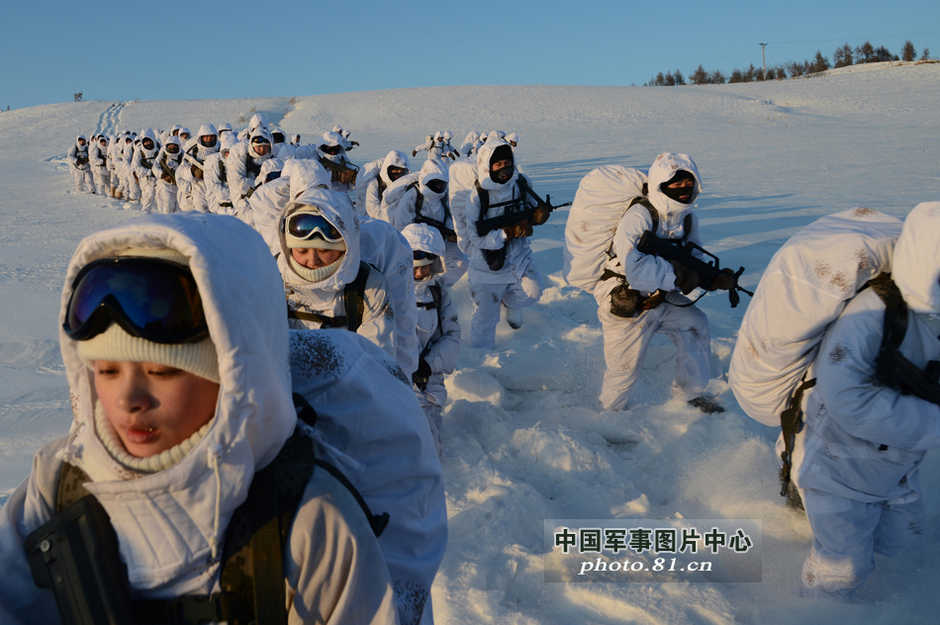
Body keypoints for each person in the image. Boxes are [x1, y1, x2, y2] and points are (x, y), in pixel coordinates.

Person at [0, 213, 399, 624]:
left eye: (163, 371)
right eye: (107, 371)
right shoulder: (59, 485)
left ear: (235, 377)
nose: (129, 399)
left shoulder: (309, 519)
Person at [790, 201, 940, 597]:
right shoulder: (873, 313)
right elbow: (849, 399)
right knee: (842, 570)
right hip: (838, 469)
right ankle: (812, 614)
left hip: (898, 471)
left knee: (906, 551)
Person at [586, 153, 726, 413]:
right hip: (626, 296)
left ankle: (690, 395)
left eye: (688, 183)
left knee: (695, 326)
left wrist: (712, 277)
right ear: (661, 185)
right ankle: (609, 415)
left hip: (662, 295)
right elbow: (634, 267)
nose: (683, 188)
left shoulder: (687, 218)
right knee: (624, 369)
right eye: (675, 183)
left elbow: (693, 257)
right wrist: (680, 275)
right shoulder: (640, 215)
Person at [273, 187, 402, 370]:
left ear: (346, 249)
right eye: (302, 250)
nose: (312, 260)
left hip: (349, 394)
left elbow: (376, 363)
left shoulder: (368, 287)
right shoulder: (271, 279)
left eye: (325, 251)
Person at [450, 137, 545, 349]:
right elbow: (477, 237)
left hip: (519, 258)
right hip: (486, 265)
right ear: (488, 166)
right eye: (498, 164)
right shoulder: (478, 197)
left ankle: (509, 303)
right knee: (485, 320)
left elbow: (533, 209)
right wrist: (507, 233)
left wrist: (537, 217)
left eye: (507, 163)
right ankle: (481, 363)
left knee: (533, 291)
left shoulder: (520, 185)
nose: (504, 168)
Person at [402, 223, 459, 455]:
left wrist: (428, 365)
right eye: (413, 267)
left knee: (432, 447)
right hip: (399, 383)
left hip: (429, 383)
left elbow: (453, 335)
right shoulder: (386, 290)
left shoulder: (439, 292)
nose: (419, 273)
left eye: (425, 267)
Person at [386, 159, 467, 286]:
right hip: (416, 244)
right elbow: (401, 227)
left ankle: (438, 289)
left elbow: (452, 218)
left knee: (460, 264)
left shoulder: (444, 197)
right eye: (435, 183)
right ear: (425, 181)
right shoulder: (413, 196)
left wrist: (452, 234)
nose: (438, 187)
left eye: (441, 184)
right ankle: (414, 289)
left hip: (441, 240)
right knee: (415, 267)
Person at [175, 123, 219, 212]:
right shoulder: (192, 152)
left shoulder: (220, 149)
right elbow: (180, 173)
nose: (209, 140)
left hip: (216, 187)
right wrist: (192, 171)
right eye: (206, 137)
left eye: (211, 137)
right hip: (198, 187)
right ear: (201, 138)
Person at [365, 150, 410, 221]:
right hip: (381, 225)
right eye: (395, 170)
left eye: (401, 170)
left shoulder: (406, 186)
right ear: (387, 169)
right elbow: (373, 211)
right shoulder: (375, 185)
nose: (398, 173)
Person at [151, 135, 182, 213]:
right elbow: (155, 167)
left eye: (174, 146)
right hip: (165, 186)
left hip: (178, 186)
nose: (172, 148)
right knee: (166, 209)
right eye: (170, 146)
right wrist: (162, 175)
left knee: (179, 211)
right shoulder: (162, 154)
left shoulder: (181, 155)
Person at [132, 129, 161, 212]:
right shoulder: (139, 151)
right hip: (146, 179)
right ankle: (145, 218)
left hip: (159, 178)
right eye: (145, 141)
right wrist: (149, 172)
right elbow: (136, 167)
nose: (147, 143)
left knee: (160, 199)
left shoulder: (158, 148)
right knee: (148, 198)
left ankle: (159, 219)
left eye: (149, 141)